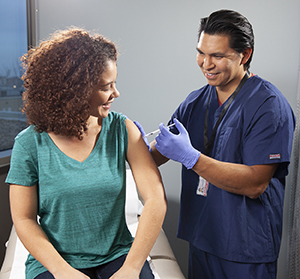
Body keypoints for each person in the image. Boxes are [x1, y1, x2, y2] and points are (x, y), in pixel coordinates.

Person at [135, 9, 295, 279]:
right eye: (201, 52)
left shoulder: (268, 106)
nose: (206, 64)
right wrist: (133, 145)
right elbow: (157, 153)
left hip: (245, 247)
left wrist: (191, 158)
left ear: (244, 55)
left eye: (218, 56)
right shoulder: (196, 101)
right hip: (204, 237)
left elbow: (255, 183)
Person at [6, 28, 167, 279]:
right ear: (75, 91)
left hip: (117, 255)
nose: (116, 93)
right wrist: (61, 271)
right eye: (107, 86)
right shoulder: (29, 145)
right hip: (57, 261)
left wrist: (132, 268)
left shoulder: (122, 129)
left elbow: (155, 199)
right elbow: (24, 219)